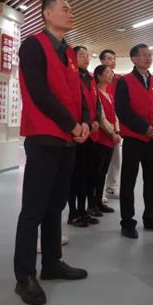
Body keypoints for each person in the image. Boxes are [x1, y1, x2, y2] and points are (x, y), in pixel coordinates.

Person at [14, 0, 89, 305]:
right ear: (46, 14)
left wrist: (84, 122)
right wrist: (72, 124)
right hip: (44, 136)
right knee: (34, 208)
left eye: (72, 8)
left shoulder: (68, 51)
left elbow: (78, 92)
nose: (71, 12)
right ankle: (24, 276)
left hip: (68, 138)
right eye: (65, 8)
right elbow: (39, 92)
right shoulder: (33, 45)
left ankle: (52, 262)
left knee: (56, 204)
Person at [115, 44, 153, 238]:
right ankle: (127, 222)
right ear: (134, 59)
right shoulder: (124, 81)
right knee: (128, 182)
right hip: (134, 139)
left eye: (149, 55)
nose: (148, 58)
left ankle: (151, 218)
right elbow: (123, 110)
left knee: (152, 182)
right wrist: (144, 128)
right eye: (143, 55)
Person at [67, 46, 100, 228]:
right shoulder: (71, 75)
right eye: (81, 55)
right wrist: (81, 124)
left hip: (90, 133)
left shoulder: (90, 78)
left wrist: (94, 121)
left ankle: (83, 211)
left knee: (86, 175)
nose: (86, 59)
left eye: (87, 56)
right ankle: (73, 213)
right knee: (74, 176)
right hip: (75, 133)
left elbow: (95, 104)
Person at [91, 64, 121, 214]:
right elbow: (101, 117)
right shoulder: (96, 93)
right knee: (96, 172)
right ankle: (92, 204)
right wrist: (112, 132)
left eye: (111, 72)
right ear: (99, 75)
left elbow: (114, 115)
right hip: (100, 138)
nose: (111, 75)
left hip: (110, 139)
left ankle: (98, 201)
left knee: (103, 172)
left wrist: (117, 131)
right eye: (108, 72)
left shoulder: (109, 94)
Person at [100, 49, 122, 199]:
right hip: (102, 126)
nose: (112, 61)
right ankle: (98, 191)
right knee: (101, 161)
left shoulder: (119, 80)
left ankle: (112, 187)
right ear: (102, 61)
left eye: (114, 59)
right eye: (109, 58)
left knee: (116, 158)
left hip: (116, 123)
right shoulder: (95, 80)